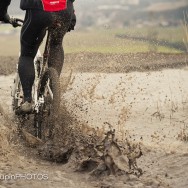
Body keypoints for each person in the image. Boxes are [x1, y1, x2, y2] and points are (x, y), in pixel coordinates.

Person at [0, 0, 76, 113]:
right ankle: (52, 93)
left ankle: (27, 101)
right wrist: (72, 13)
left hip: (39, 9)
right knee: (56, 44)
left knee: (27, 54)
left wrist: (2, 14)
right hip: (64, 10)